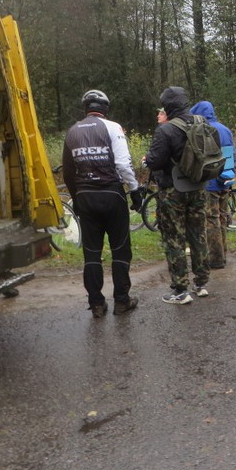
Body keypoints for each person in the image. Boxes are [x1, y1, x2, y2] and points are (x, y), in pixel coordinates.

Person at [62, 89, 143, 318]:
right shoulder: (113, 127)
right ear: (105, 108)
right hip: (112, 194)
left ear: (86, 108)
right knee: (120, 249)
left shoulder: (72, 131)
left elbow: (68, 172)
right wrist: (134, 189)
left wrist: (76, 197)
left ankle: (96, 303)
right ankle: (122, 301)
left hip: (85, 196)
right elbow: (123, 164)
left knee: (91, 252)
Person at [143, 86, 209, 304]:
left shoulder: (166, 130)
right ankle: (201, 283)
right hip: (198, 187)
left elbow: (156, 161)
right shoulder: (201, 122)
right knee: (198, 234)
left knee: (174, 239)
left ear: (168, 106)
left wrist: (147, 160)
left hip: (173, 191)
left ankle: (181, 290)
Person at [190, 100, 236, 272]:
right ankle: (223, 254)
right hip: (226, 179)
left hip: (210, 182)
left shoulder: (202, 131)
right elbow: (233, 154)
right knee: (223, 217)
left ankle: (215, 258)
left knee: (211, 219)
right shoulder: (225, 129)